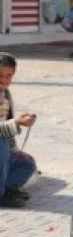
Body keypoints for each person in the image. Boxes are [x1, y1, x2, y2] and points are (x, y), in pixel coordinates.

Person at [0, 53, 37, 208]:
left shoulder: (6, 95)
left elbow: (5, 125)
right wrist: (17, 122)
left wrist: (15, 149)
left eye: (9, 76)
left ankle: (8, 189)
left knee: (27, 163)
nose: (4, 80)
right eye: (0, 75)